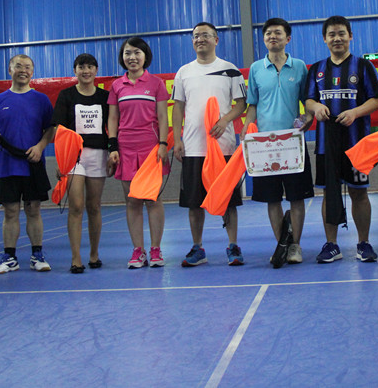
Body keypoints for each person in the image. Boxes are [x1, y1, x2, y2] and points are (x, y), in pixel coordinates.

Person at [305, 15, 378, 263]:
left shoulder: (364, 67)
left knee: (359, 193)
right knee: (329, 193)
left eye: (341, 33)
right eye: (332, 34)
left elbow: (376, 99)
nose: (337, 38)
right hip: (326, 145)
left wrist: (355, 112)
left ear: (350, 36)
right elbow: (308, 100)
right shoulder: (316, 69)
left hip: (357, 144)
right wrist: (316, 107)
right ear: (324, 39)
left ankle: (364, 243)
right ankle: (331, 245)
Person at [171, 22, 247, 266]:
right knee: (194, 202)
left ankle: (233, 246)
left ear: (216, 39)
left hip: (223, 147)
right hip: (193, 147)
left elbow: (241, 104)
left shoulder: (230, 69)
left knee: (228, 201)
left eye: (205, 35)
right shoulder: (183, 72)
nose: (200, 39)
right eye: (196, 36)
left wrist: (224, 120)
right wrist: (177, 139)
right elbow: (178, 108)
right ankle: (197, 248)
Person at [241, 18, 314, 267]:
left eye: (278, 33)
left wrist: (308, 118)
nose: (273, 36)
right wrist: (246, 128)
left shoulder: (299, 67)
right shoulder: (256, 69)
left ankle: (295, 246)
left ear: (288, 38)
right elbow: (252, 105)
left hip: (293, 144)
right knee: (272, 199)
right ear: (263, 39)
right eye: (268, 33)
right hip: (264, 146)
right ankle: (281, 245)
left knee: (297, 197)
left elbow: (307, 102)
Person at [0, 54, 55, 274]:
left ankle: (37, 256)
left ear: (32, 72)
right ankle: (10, 258)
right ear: (10, 70)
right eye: (18, 66)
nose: (23, 70)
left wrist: (40, 147)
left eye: (27, 67)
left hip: (33, 164)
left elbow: (50, 129)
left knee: (34, 210)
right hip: (6, 165)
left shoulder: (41, 100)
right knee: (10, 211)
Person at [107, 37, 170, 268]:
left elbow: (162, 116)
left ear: (145, 56)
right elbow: (113, 118)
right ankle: (138, 250)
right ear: (122, 57)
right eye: (127, 53)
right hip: (125, 148)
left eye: (137, 53)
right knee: (132, 200)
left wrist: (163, 144)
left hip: (151, 148)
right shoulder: (117, 86)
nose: (132, 57)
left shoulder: (156, 83)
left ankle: (155, 249)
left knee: (153, 199)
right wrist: (113, 147)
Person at [51, 53, 108, 273]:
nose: (86, 71)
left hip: (98, 155)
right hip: (74, 157)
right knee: (76, 206)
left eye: (90, 67)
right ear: (75, 71)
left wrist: (114, 151)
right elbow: (58, 130)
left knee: (94, 206)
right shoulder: (66, 96)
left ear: (96, 70)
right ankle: (76, 258)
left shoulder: (105, 97)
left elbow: (112, 126)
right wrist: (61, 159)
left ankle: (94, 254)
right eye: (81, 67)